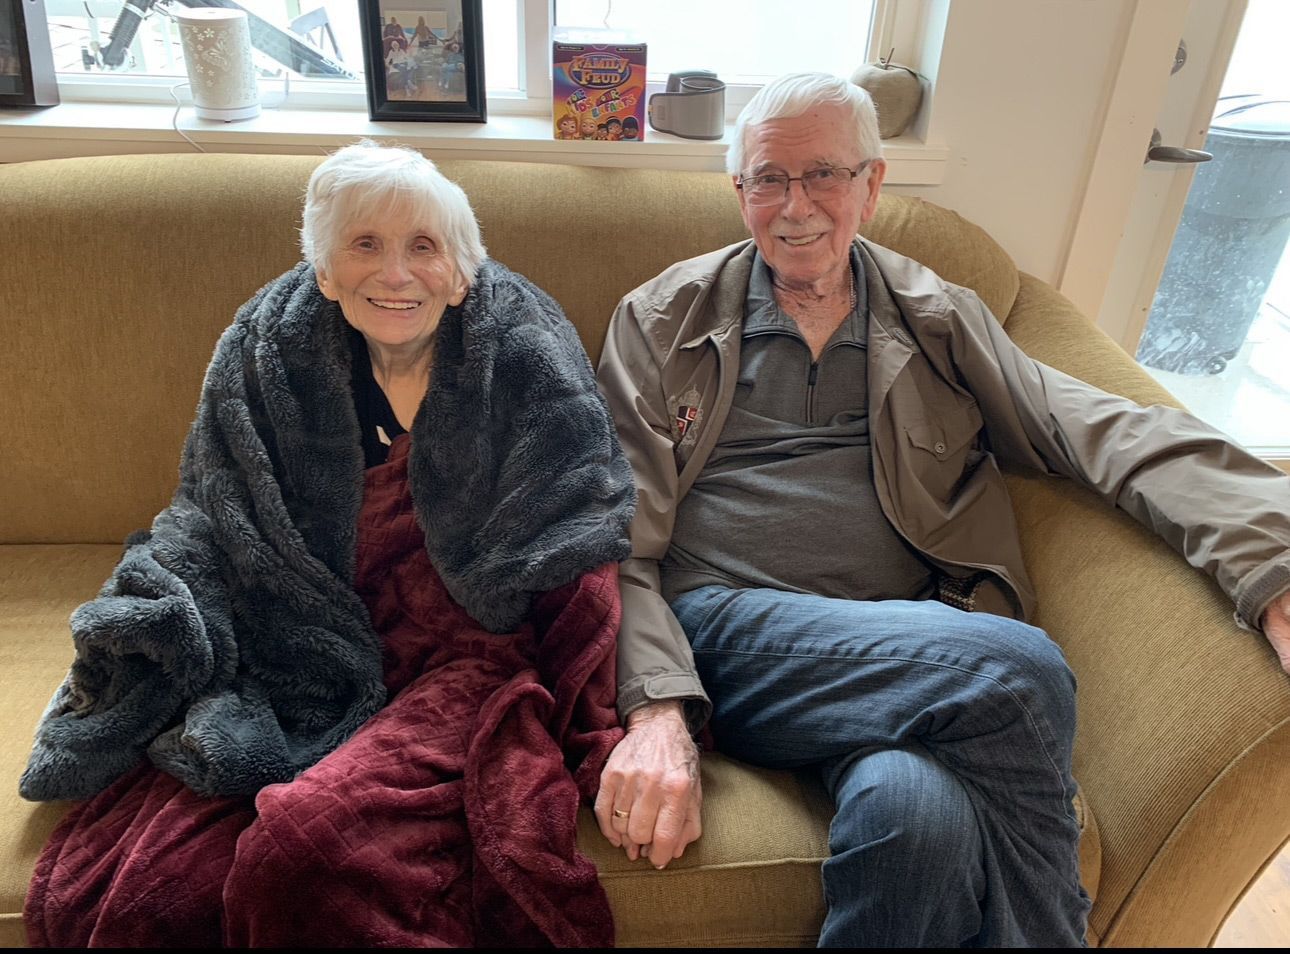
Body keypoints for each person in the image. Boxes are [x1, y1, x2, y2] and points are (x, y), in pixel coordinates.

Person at [593, 71, 1290, 947]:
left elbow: (1101, 428)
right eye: (768, 178)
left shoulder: (937, 318)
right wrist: (655, 712)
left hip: (912, 647)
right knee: (1016, 670)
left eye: (825, 176)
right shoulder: (661, 321)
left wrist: (1272, 562)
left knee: (913, 824)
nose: (794, 205)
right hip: (733, 635)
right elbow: (611, 531)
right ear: (739, 192)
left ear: (873, 186)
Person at [20, 140, 636, 948]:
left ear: (460, 269)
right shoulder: (266, 350)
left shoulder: (520, 349)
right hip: (299, 645)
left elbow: (579, 510)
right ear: (324, 267)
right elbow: (213, 508)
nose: (394, 273)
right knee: (150, 898)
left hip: (470, 656)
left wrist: (601, 700)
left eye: (423, 245)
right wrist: (149, 628)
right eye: (365, 244)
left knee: (304, 848)